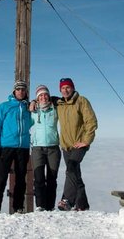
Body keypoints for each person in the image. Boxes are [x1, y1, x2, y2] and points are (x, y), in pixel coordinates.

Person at [0, 80, 32, 214]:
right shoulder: (4, 106)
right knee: (1, 178)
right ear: (14, 91)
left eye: (23, 90)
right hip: (6, 147)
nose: (21, 92)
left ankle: (18, 207)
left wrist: (34, 103)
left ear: (26, 92)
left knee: (21, 180)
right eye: (18, 89)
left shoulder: (29, 107)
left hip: (23, 148)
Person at [55, 78, 98, 211]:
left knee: (71, 169)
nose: (65, 90)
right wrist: (33, 101)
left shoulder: (81, 101)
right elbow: (45, 98)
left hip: (79, 144)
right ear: (60, 90)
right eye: (63, 88)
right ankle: (82, 205)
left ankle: (67, 200)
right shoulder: (59, 103)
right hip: (66, 146)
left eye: (68, 87)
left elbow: (91, 122)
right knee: (75, 174)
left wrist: (86, 141)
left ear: (73, 88)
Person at [30, 85, 61, 211]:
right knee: (38, 179)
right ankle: (40, 206)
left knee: (52, 179)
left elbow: (61, 100)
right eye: (40, 95)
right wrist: (32, 102)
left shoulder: (55, 109)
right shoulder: (33, 111)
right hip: (37, 148)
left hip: (53, 148)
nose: (43, 97)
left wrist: (54, 99)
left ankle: (50, 206)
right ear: (37, 98)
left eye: (45, 94)